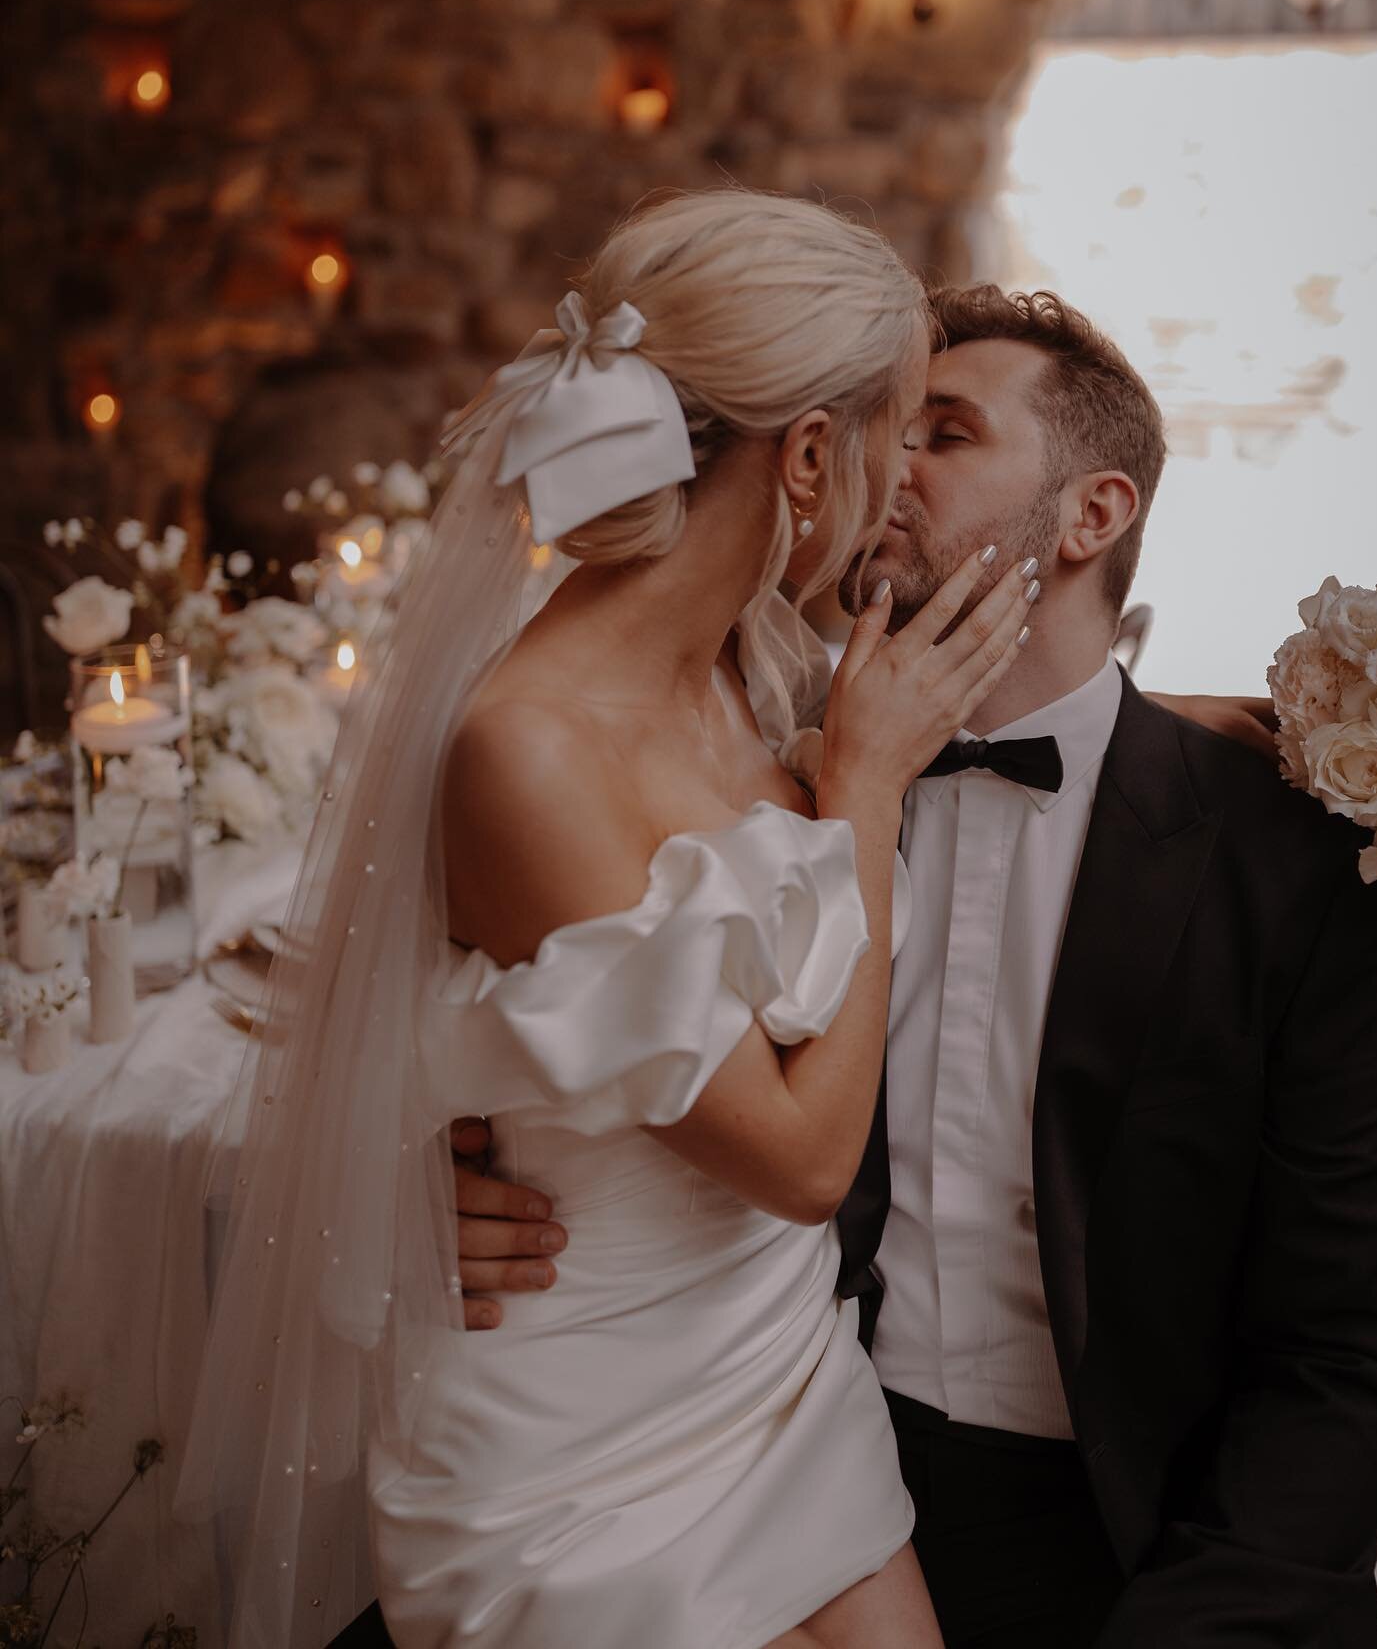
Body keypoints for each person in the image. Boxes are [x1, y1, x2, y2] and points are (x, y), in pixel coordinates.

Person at [453, 285, 1377, 1648]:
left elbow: (1348, 1352)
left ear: (1091, 516)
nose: (883, 464)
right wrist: (459, 1178)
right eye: (883, 428)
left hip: (1156, 1543)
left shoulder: (1282, 853)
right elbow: (550, 1021)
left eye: (944, 433)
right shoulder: (754, 780)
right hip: (786, 1488)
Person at [177, 190, 1048, 1649]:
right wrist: (868, 798)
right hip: (582, 1436)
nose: (904, 479)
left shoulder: (754, 660)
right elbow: (799, 1162)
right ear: (813, 457)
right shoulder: (527, 752)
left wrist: (1246, 725)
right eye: (900, 430)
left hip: (781, 1377)